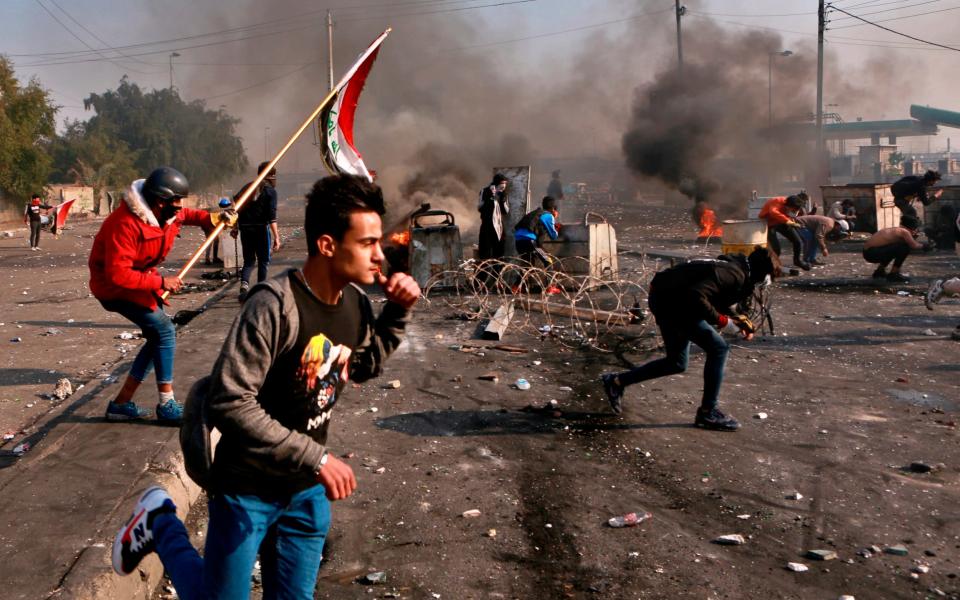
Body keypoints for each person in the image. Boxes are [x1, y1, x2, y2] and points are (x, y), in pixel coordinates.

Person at [110, 174, 420, 599]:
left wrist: (398, 314)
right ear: (328, 245)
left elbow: (361, 367)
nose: (378, 256)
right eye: (367, 243)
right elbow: (229, 399)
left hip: (305, 495)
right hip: (247, 491)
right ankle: (160, 522)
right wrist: (318, 457)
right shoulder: (273, 306)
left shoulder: (355, 304)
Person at [89, 167, 236, 423]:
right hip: (114, 288)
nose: (180, 206)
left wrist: (213, 219)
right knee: (165, 331)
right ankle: (167, 404)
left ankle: (121, 404)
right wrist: (160, 281)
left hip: (139, 282)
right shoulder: (124, 224)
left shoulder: (165, 213)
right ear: (160, 201)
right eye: (176, 201)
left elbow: (187, 215)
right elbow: (118, 275)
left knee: (158, 337)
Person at [600, 246, 782, 432]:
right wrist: (724, 322)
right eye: (768, 277)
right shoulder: (734, 274)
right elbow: (696, 295)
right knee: (718, 348)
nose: (766, 283)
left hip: (668, 297)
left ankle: (616, 382)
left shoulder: (736, 268)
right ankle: (708, 412)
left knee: (677, 363)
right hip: (673, 302)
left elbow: (714, 295)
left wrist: (737, 318)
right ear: (762, 272)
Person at [235, 162, 281, 301]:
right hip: (261, 229)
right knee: (263, 261)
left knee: (248, 261)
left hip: (245, 228)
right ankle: (260, 289)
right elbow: (272, 218)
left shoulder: (247, 188)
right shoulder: (270, 192)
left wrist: (235, 227)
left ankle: (244, 284)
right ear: (271, 175)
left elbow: (236, 208)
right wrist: (277, 238)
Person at [862, 214, 931, 283]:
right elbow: (914, 245)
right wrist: (926, 246)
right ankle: (893, 274)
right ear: (911, 227)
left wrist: (913, 237)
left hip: (868, 252)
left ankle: (880, 271)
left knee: (894, 249)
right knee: (904, 248)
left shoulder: (897, 229)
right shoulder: (904, 232)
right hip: (872, 253)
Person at [759, 193, 810, 270]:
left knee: (798, 241)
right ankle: (769, 266)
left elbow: (790, 216)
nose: (794, 211)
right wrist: (787, 221)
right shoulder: (777, 201)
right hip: (768, 224)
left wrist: (793, 222)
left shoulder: (792, 206)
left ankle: (797, 261)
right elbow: (773, 212)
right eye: (793, 209)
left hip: (781, 222)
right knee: (776, 249)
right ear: (788, 206)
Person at [514, 195, 560, 266]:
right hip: (530, 241)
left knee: (528, 266)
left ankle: (522, 277)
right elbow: (554, 236)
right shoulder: (549, 216)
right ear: (553, 209)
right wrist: (557, 226)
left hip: (518, 241)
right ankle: (550, 277)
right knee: (548, 261)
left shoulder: (534, 213)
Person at [478, 173, 510, 261]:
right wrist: (490, 198)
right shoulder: (484, 191)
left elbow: (506, 211)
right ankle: (483, 273)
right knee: (485, 253)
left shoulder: (504, 194)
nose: (504, 186)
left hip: (499, 226)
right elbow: (480, 207)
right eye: (502, 184)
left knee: (499, 252)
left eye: (505, 184)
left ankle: (497, 273)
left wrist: (502, 201)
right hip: (487, 225)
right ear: (496, 184)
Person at [204, 198, 232, 266]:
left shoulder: (216, 209)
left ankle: (214, 258)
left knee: (215, 241)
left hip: (209, 226)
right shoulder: (224, 212)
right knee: (210, 242)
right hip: (210, 227)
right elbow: (227, 219)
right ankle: (208, 259)